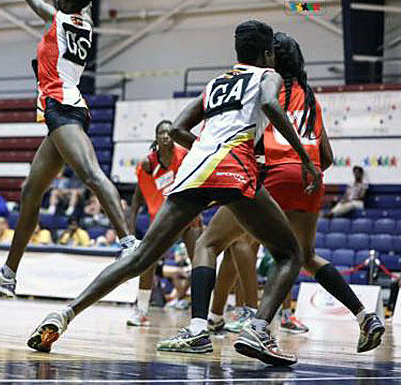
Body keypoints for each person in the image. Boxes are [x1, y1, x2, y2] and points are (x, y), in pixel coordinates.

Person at [26, 20, 322, 366]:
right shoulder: (268, 76)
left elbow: (179, 128)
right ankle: (258, 329)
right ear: (268, 53)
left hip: (195, 169)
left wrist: (207, 152)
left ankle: (64, 314)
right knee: (290, 254)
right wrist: (305, 158)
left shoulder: (216, 83)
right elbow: (271, 104)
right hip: (234, 168)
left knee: (140, 257)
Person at [0, 0, 136, 298]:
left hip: (63, 107)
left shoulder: (58, 18)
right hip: (61, 111)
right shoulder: (85, 21)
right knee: (31, 190)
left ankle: (129, 242)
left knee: (91, 173)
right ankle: (8, 273)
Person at [207, 33, 384, 350]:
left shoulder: (265, 89)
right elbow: (326, 157)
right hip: (308, 179)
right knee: (305, 256)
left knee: (212, 241)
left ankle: (209, 322)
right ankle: (364, 316)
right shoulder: (311, 99)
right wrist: (304, 172)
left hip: (273, 174)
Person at [126, 120, 202, 327]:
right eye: (161, 133)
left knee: (201, 261)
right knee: (147, 261)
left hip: (188, 214)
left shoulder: (185, 155)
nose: (166, 136)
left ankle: (205, 315)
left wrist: (198, 211)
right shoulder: (148, 165)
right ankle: (141, 311)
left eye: (169, 132)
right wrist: (130, 233)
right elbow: (136, 203)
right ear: (156, 137)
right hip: (164, 218)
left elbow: (198, 185)